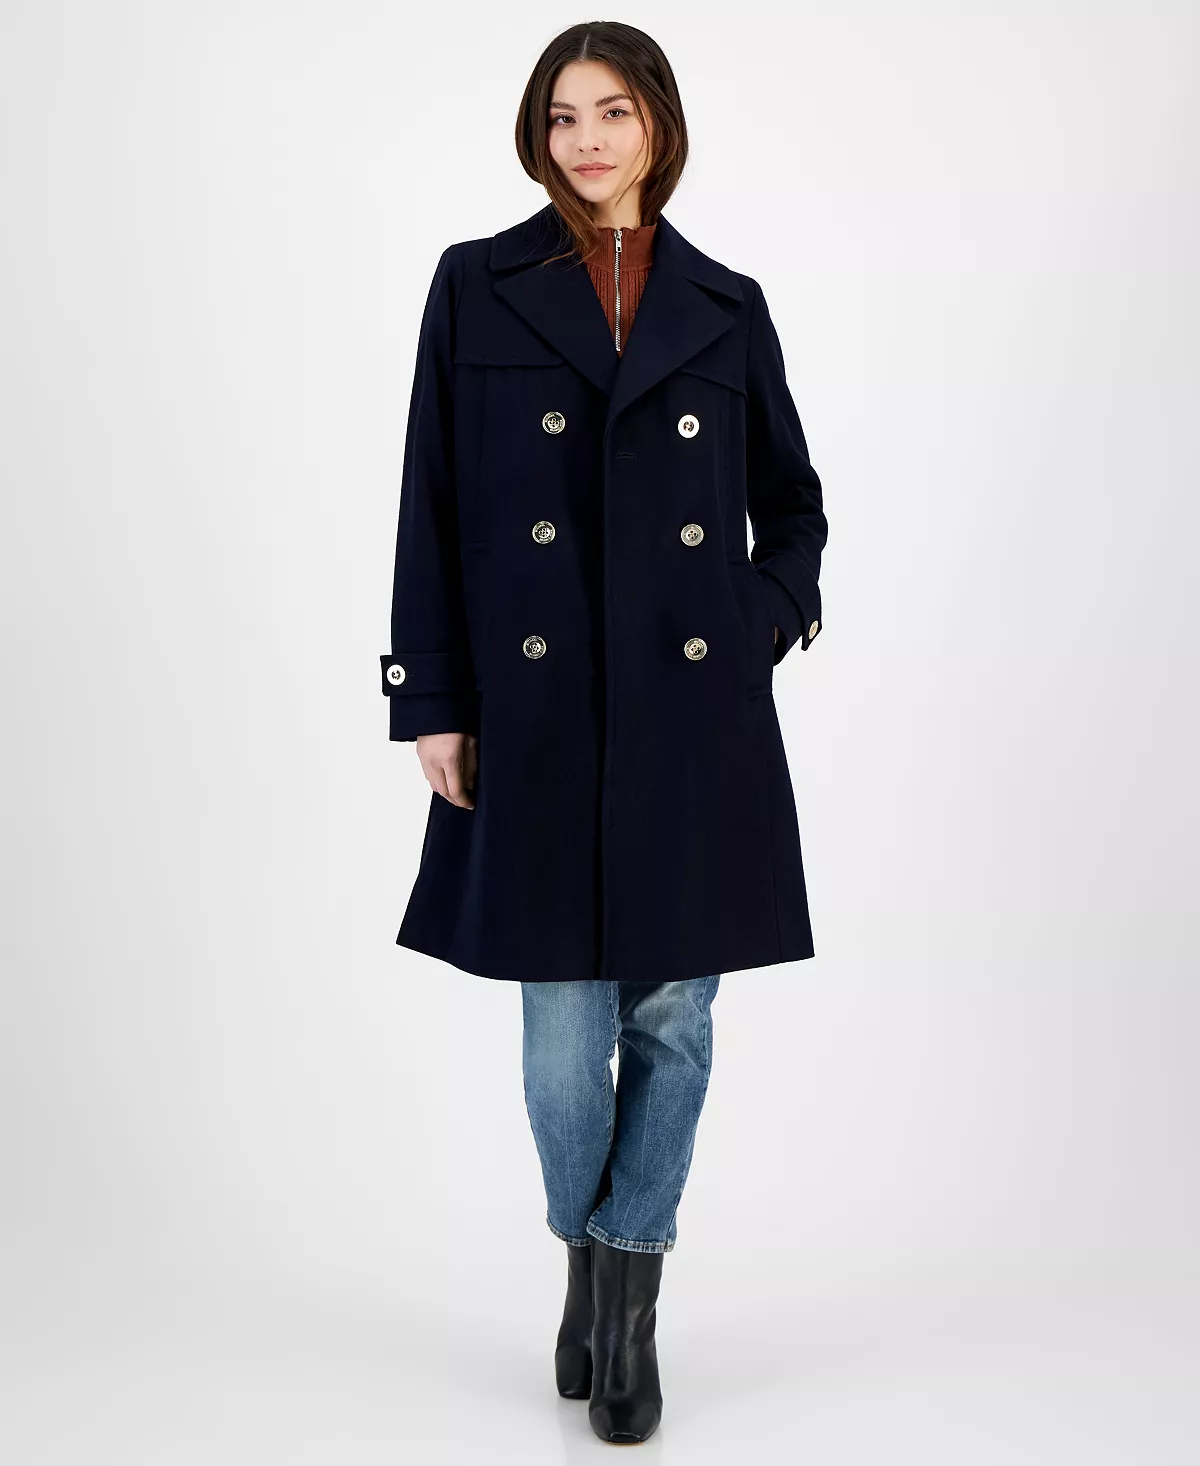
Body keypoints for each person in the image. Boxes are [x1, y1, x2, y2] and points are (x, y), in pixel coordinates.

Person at [380, 21, 828, 1445]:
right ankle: (588, 1252)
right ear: (539, 135)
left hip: (692, 715)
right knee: (563, 1031)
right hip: (538, 707)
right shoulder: (477, 284)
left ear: (658, 129)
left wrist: (756, 619)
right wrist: (433, 698)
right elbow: (429, 495)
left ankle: (623, 1302)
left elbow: (795, 506)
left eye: (613, 112)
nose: (586, 139)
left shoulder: (726, 305)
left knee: (675, 1014)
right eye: (563, 115)